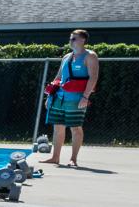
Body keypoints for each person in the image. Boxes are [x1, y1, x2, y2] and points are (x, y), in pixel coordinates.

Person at [42, 29, 99, 168]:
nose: (70, 41)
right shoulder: (66, 57)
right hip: (59, 97)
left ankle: (73, 159)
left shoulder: (90, 56)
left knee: (75, 128)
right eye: (70, 38)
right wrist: (50, 96)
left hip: (76, 98)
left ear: (83, 40)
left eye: (74, 39)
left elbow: (93, 77)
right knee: (58, 127)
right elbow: (58, 77)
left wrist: (85, 96)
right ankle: (55, 157)